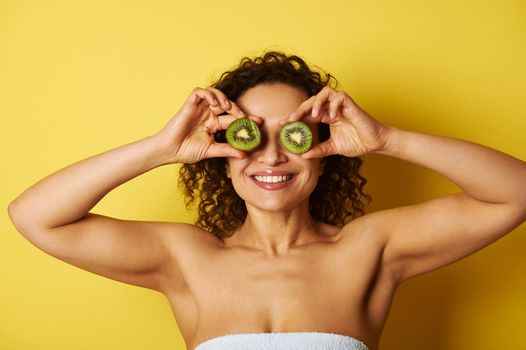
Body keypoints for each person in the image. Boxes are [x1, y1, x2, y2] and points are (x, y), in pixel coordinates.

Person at [7, 51, 526, 350]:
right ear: (222, 153)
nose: (272, 157)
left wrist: (387, 138)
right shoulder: (188, 259)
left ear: (326, 151)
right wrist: (162, 148)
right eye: (250, 137)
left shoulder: (370, 248)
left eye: (295, 134)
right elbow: (34, 217)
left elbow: (516, 192)